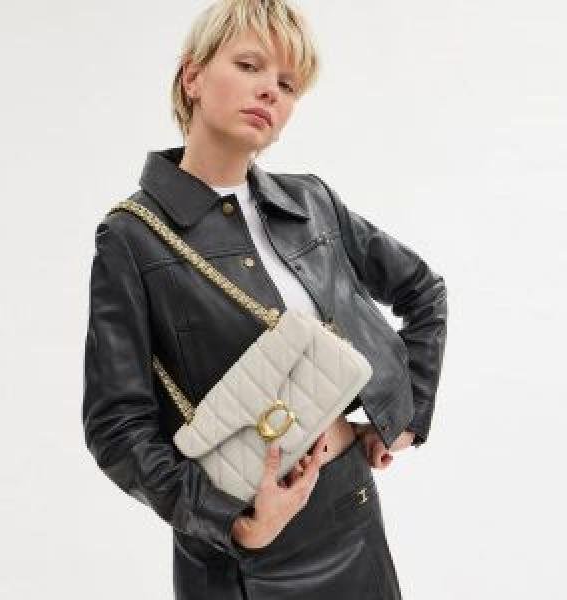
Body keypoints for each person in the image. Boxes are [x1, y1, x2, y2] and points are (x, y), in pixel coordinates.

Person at [82, 1, 448, 598]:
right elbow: (116, 425)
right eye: (249, 66)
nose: (269, 92)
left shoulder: (310, 202)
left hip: (351, 510)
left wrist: (403, 417)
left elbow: (422, 290)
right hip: (243, 551)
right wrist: (235, 522)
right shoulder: (133, 236)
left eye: (287, 83)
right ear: (192, 76)